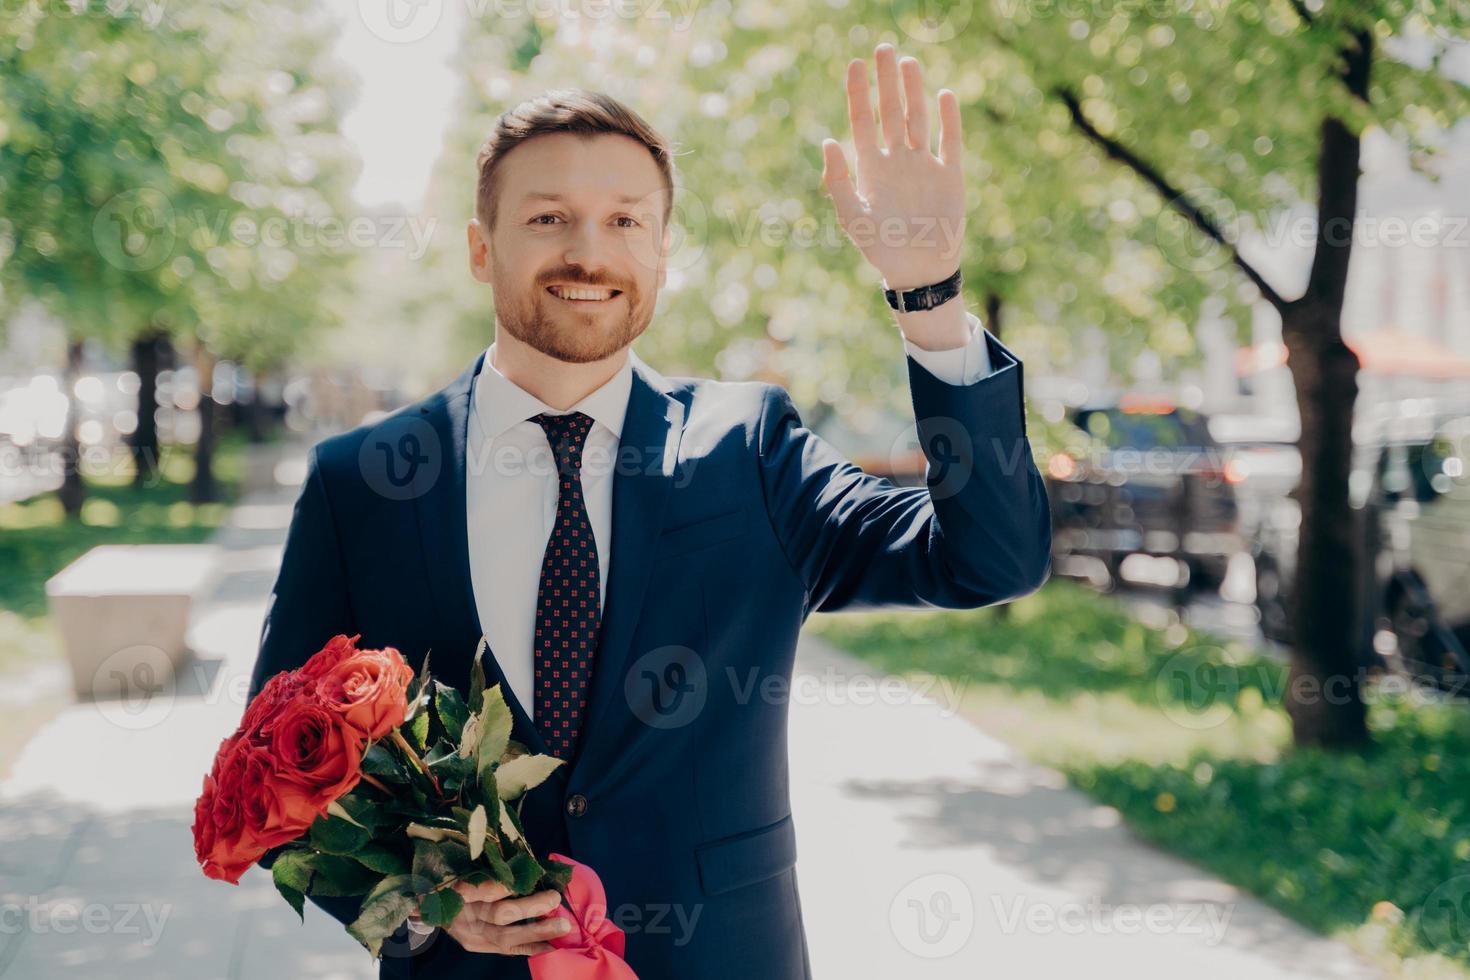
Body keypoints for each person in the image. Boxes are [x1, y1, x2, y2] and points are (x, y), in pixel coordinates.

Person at [247, 42, 1051, 980]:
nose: (589, 251)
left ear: (661, 253)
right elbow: (268, 778)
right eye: (549, 217)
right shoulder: (364, 481)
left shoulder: (752, 448)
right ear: (480, 247)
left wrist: (931, 303)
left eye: (625, 220)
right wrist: (419, 906)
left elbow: (989, 560)